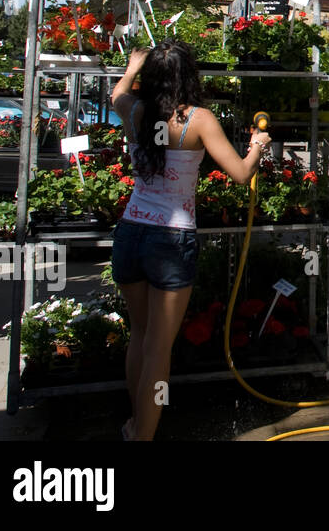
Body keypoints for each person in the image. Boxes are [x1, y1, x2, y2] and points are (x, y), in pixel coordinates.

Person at [110, 41, 271, 441]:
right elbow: (238, 173)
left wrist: (132, 67)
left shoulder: (134, 110)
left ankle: (135, 424)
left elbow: (117, 93)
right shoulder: (199, 120)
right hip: (171, 237)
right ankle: (143, 437)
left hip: (131, 231)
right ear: (189, 76)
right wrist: (257, 148)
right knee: (159, 349)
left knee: (140, 336)